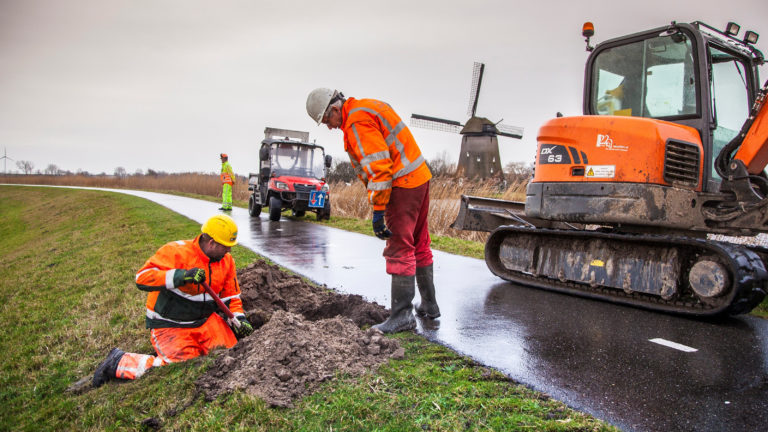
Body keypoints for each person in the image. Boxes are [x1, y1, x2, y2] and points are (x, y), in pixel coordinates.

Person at [305, 88, 440, 333]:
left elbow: (380, 168)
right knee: (419, 241)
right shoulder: (366, 106)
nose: (329, 127)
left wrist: (378, 211)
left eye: (327, 120)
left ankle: (402, 316)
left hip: (402, 184)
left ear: (335, 110)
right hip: (419, 177)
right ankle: (429, 305)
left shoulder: (355, 122)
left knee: (399, 247)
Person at [92, 214, 253, 388]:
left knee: (233, 354)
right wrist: (181, 276)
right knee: (181, 365)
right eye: (226, 246)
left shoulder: (226, 261)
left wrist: (239, 319)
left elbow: (231, 297)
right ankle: (119, 361)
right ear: (212, 243)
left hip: (205, 321)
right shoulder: (176, 252)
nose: (229, 251)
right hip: (171, 324)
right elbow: (142, 278)